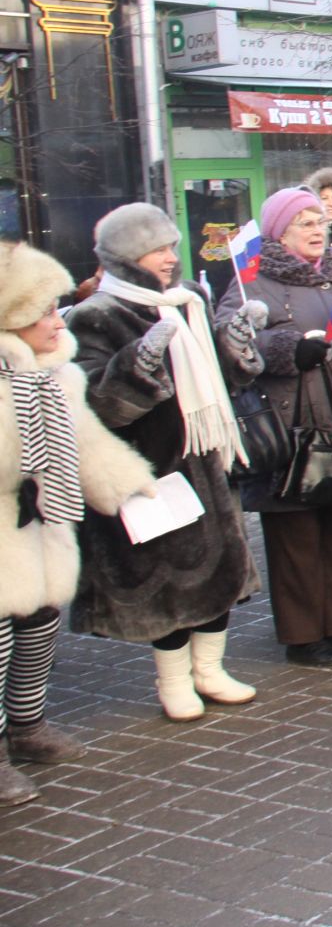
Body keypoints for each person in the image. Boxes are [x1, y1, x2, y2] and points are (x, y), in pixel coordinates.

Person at [66, 204, 263, 720]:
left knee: (220, 570)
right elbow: (96, 404)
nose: (170, 259)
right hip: (151, 467)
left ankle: (211, 669)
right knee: (169, 582)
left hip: (206, 460)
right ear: (128, 256)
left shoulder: (189, 301)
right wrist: (136, 366)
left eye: (172, 247)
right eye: (158, 249)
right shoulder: (97, 314)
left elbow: (220, 381)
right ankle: (173, 682)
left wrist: (236, 349)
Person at [0, 243, 155, 807]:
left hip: (42, 525)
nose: (54, 320)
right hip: (3, 524)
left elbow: (86, 443)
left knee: (41, 622)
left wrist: (130, 483)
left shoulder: (56, 374)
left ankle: (27, 724)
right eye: (42, 311)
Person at [215, 189, 332, 666]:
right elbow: (229, 335)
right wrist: (285, 348)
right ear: (279, 232)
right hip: (289, 425)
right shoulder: (253, 278)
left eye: (320, 222)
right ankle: (302, 635)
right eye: (305, 223)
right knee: (296, 536)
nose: (318, 231)